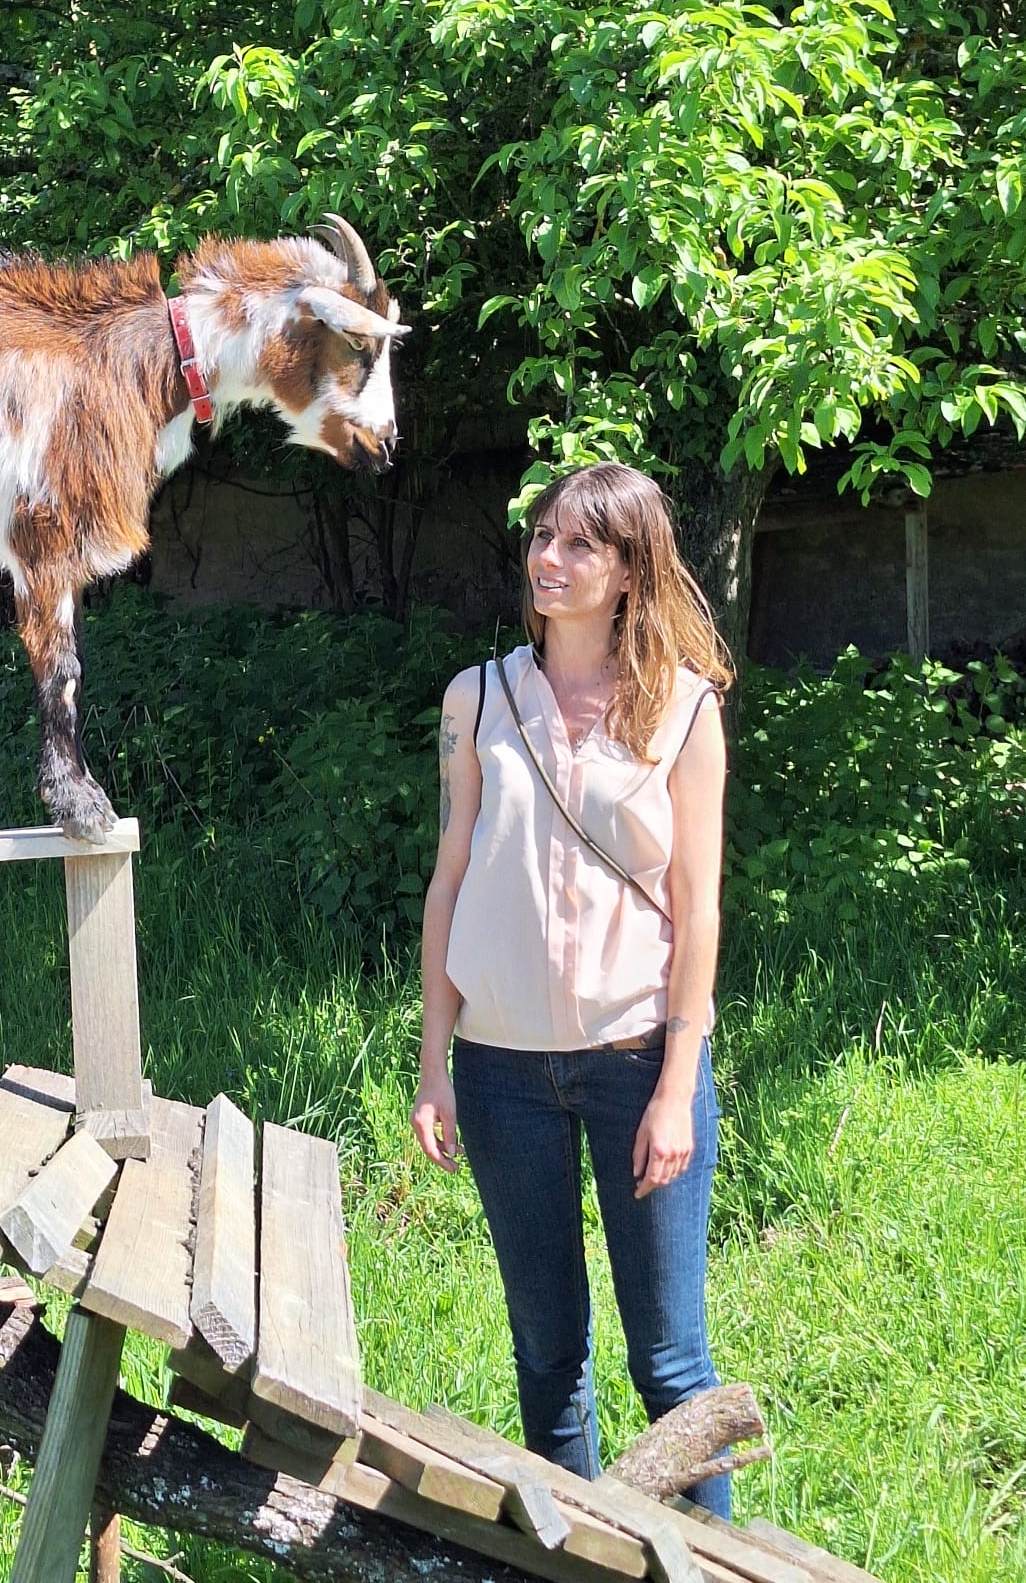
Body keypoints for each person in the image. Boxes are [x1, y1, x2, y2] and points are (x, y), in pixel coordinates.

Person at [411, 461, 735, 1517]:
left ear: (631, 570)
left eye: (579, 545)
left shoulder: (683, 711)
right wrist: (434, 1070)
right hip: (500, 1074)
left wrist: (678, 1087)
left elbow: (699, 908)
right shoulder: (480, 698)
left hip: (637, 1063)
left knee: (671, 1369)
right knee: (549, 1356)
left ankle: (717, 1564)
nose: (547, 560)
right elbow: (450, 881)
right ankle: (577, 1558)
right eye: (542, 537)